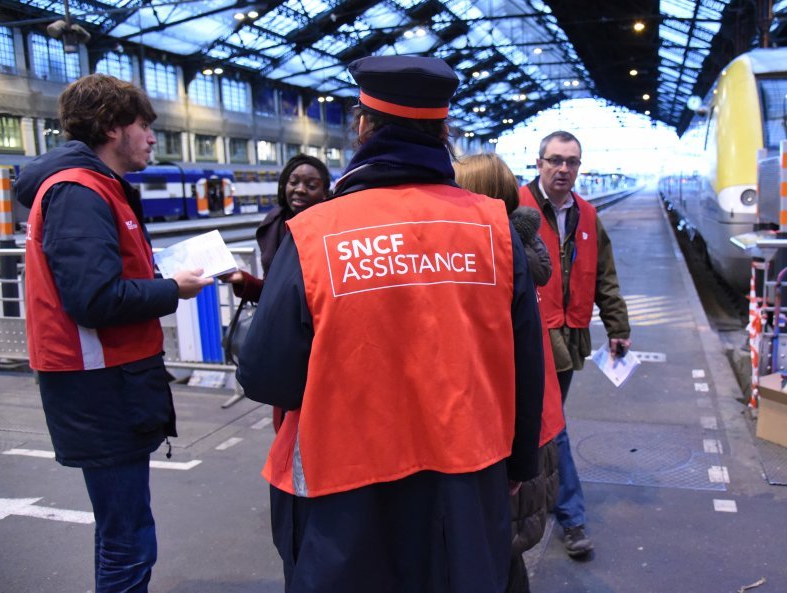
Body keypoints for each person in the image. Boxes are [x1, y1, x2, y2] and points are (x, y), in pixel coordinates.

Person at [236, 56, 545, 593]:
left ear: (362, 126)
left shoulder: (313, 233)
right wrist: (518, 463)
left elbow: (264, 376)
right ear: (444, 131)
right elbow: (525, 364)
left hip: (342, 496)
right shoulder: (494, 229)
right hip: (466, 482)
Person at [14, 74, 213, 593]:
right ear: (110, 127)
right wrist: (174, 288)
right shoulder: (79, 192)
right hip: (99, 385)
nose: (151, 138)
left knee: (125, 531)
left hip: (111, 381)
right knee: (128, 539)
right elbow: (93, 300)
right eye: (143, 126)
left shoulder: (93, 187)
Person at [454, 153, 565, 593]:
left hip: (509, 436)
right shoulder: (520, 251)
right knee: (504, 554)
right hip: (534, 426)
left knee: (494, 556)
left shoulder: (491, 259)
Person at [518, 130, 631, 559]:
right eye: (555, 160)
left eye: (572, 162)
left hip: (570, 335)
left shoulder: (586, 213)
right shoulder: (517, 208)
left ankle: (538, 494)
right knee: (554, 424)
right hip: (532, 333)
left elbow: (604, 274)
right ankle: (571, 515)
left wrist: (617, 325)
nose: (564, 169)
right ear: (540, 163)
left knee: (549, 421)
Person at [223, 153, 331, 302]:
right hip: (284, 322)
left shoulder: (333, 229)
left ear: (325, 193)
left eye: (311, 185)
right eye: (293, 182)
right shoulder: (273, 225)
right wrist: (243, 280)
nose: (300, 189)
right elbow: (272, 294)